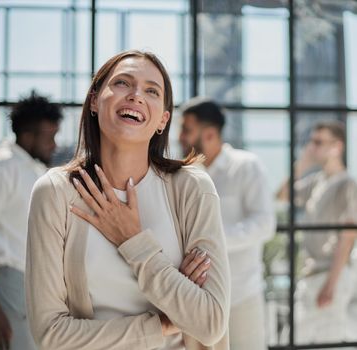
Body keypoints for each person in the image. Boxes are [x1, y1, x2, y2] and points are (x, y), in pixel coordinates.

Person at [25, 50, 230, 350]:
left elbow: (210, 324)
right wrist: (163, 323)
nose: (136, 95)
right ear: (95, 101)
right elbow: (51, 334)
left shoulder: (192, 188)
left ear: (162, 119)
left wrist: (133, 241)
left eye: (151, 90)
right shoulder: (55, 192)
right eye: (122, 83)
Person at [0, 91, 63, 350]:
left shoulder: (33, 169)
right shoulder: (2, 169)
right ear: (28, 136)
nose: (54, 145)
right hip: (9, 284)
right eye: (49, 137)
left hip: (32, 285)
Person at [179, 97, 275, 350]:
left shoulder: (246, 167)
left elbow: (265, 223)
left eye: (186, 130)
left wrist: (212, 242)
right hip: (196, 298)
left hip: (242, 295)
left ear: (209, 134)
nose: (180, 137)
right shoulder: (185, 175)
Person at [277, 120, 357, 343]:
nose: (313, 147)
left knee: (324, 340)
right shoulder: (316, 182)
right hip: (311, 274)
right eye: (312, 142)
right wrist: (302, 163)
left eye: (318, 142)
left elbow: (348, 235)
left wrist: (331, 285)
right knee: (293, 339)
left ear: (337, 146)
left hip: (330, 276)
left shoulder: (347, 184)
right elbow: (282, 195)